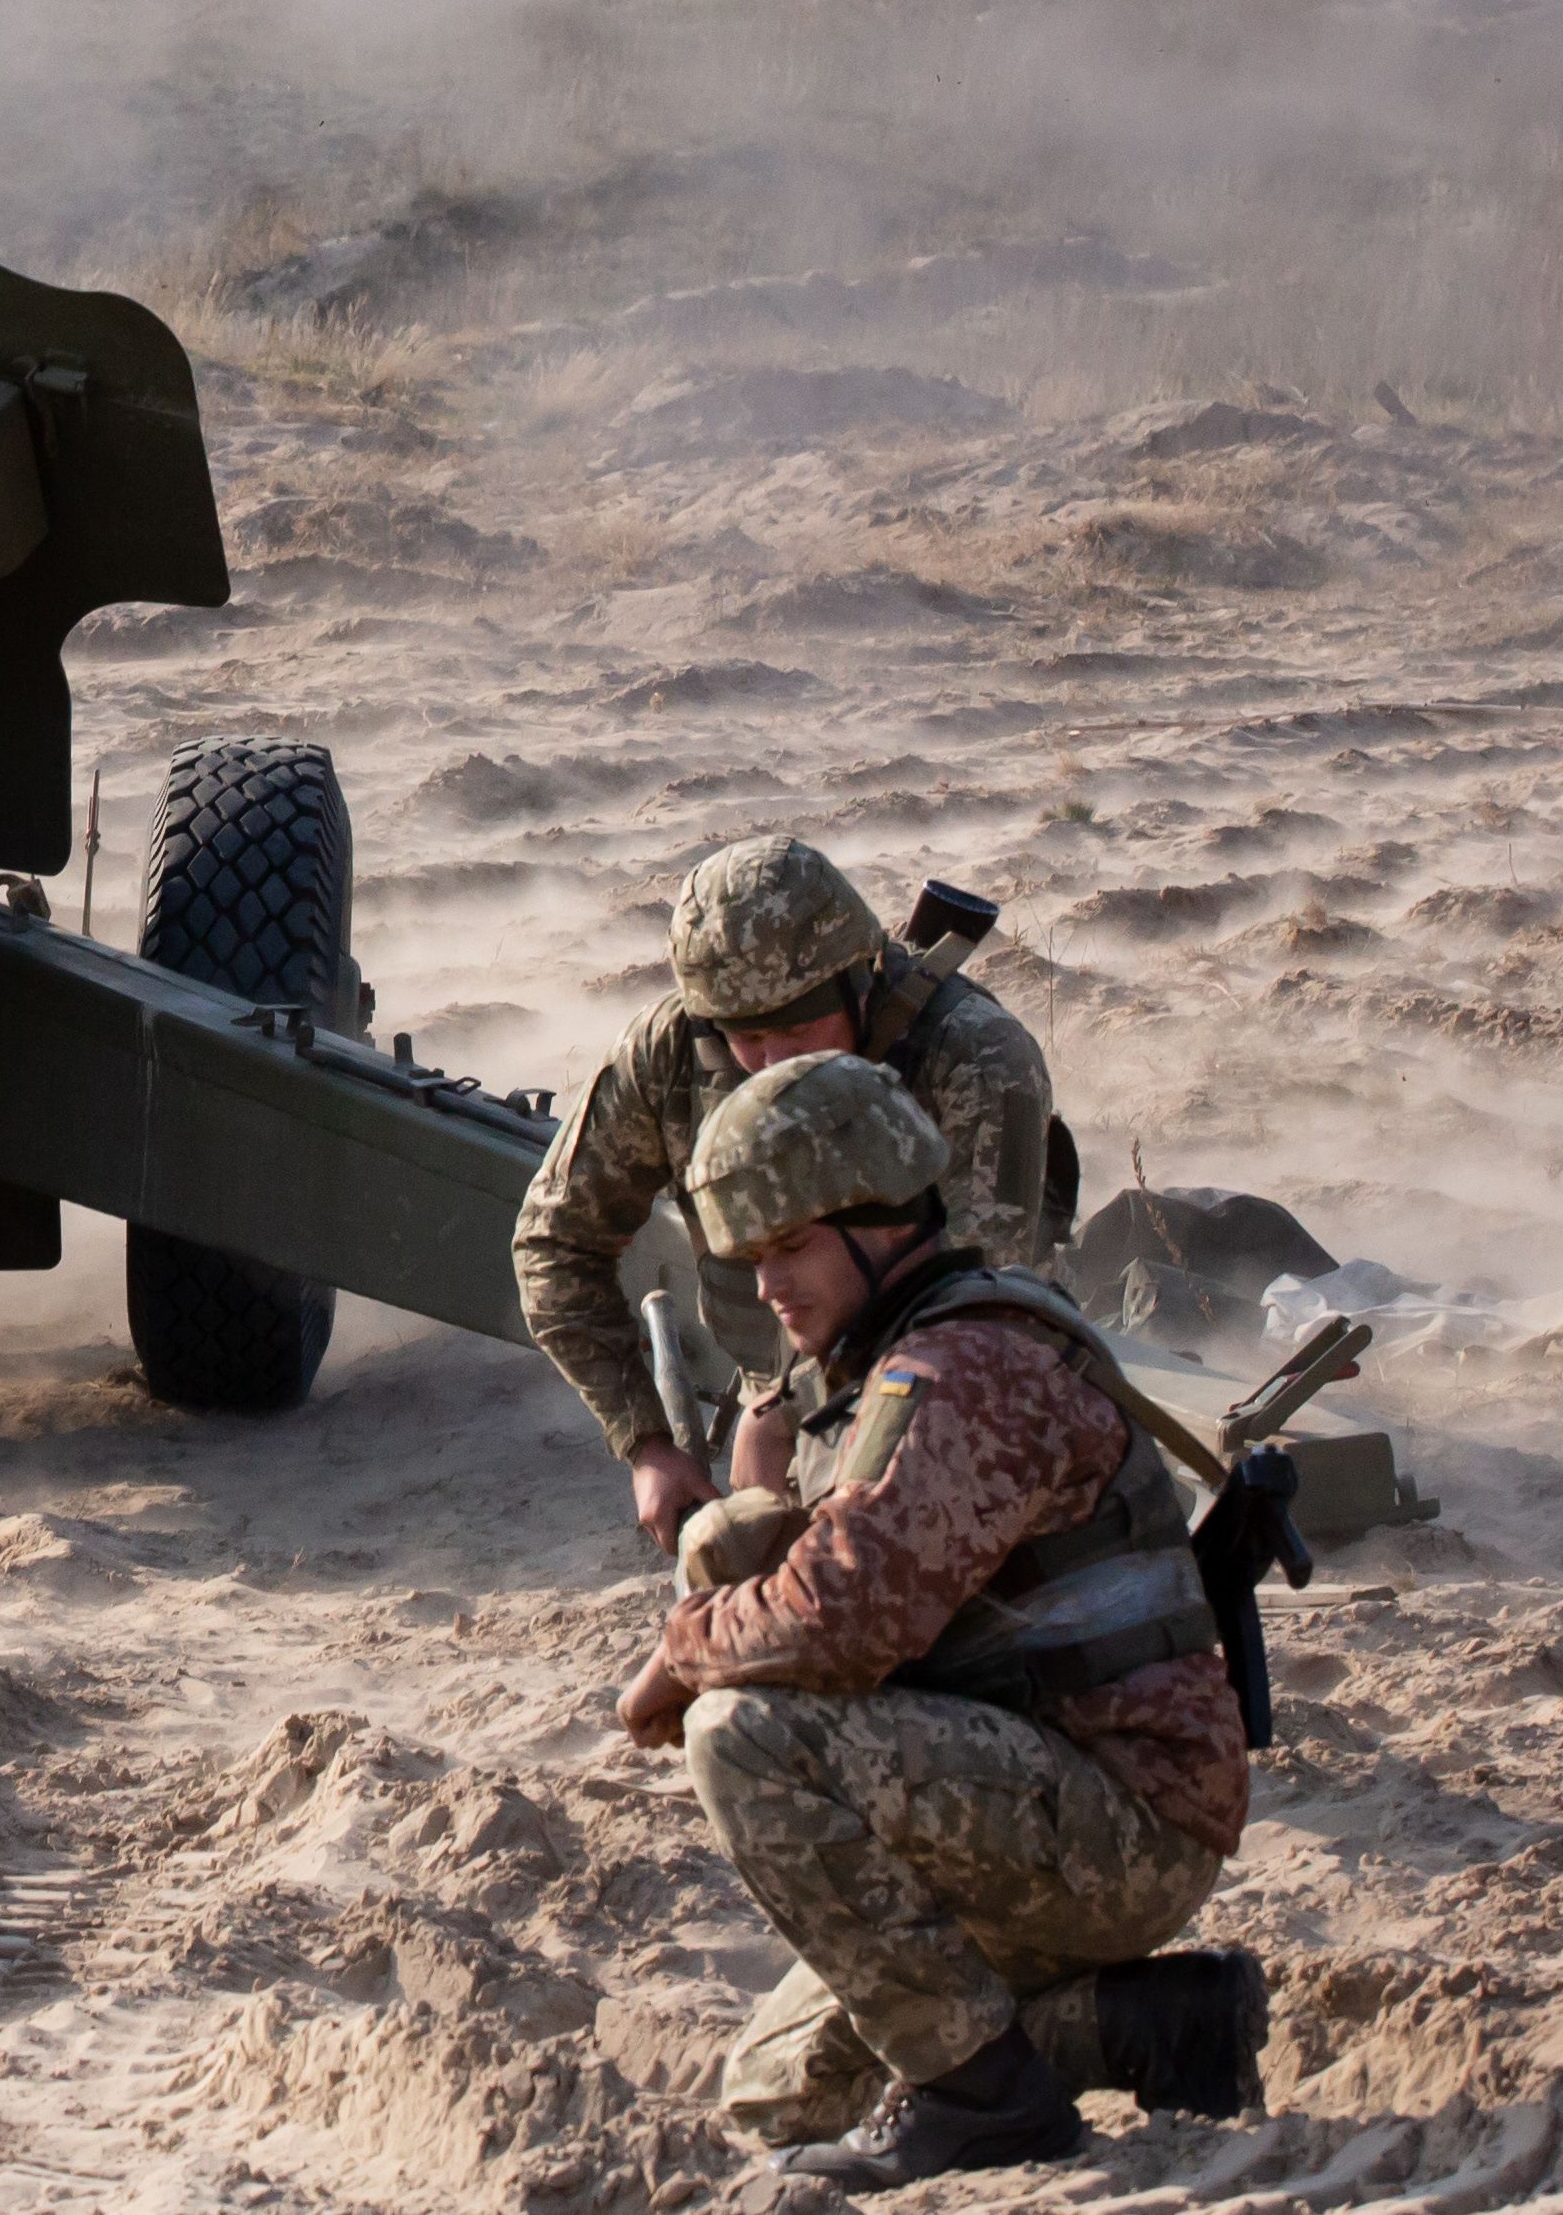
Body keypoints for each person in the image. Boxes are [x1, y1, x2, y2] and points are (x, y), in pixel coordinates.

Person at [615, 1053, 1266, 2185]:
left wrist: (682, 1655)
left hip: (1122, 1818)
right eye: (752, 1255)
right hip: (1028, 1785)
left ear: (880, 1221)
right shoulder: (891, 1359)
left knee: (741, 1734)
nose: (767, 1285)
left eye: (790, 1247)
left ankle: (987, 2100)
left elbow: (843, 1618)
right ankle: (1139, 2025)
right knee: (780, 2096)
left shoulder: (961, 1368)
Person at [515, 835, 1065, 1549]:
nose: (770, 1064)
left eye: (800, 1027)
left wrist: (783, 1411)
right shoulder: (674, 1051)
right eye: (747, 1037)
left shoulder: (976, 1058)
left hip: (957, 1405)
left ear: (861, 980)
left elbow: (969, 1312)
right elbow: (554, 1244)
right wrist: (646, 1443)